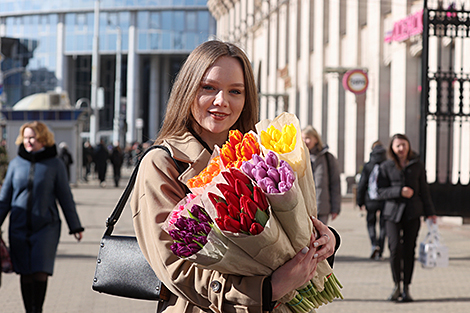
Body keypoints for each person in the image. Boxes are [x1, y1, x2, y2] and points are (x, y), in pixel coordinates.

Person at [131, 40, 339, 312]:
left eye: (235, 91)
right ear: (187, 89)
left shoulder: (262, 152)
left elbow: (290, 224)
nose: (222, 101)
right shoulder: (162, 163)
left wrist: (325, 241)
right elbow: (175, 267)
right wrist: (268, 289)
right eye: (209, 88)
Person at [0, 121, 84, 313]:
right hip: (19, 227)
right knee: (25, 273)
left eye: (33, 137)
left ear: (43, 139)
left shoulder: (55, 164)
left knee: (40, 270)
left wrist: (76, 226)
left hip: (46, 227)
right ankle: (29, 310)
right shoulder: (15, 164)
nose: (29, 141)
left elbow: (65, 197)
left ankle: (38, 309)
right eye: (26, 137)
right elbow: (4, 200)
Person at [377, 133, 437, 302]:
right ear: (392, 148)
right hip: (392, 214)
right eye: (398, 145)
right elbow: (380, 192)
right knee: (395, 248)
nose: (401, 148)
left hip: (412, 213)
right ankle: (396, 284)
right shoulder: (386, 166)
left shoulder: (416, 165)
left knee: (409, 250)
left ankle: (407, 288)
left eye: (404, 144)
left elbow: (424, 190)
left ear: (408, 146)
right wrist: (399, 191)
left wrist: (430, 212)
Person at [301, 125, 341, 224]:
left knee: (320, 238)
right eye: (302, 138)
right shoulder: (298, 157)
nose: (305, 141)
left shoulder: (327, 158)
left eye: (308, 138)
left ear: (316, 139)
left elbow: (335, 183)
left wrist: (335, 208)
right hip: (302, 209)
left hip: (321, 208)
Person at [356, 140, 387, 260]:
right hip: (385, 199)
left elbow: (362, 184)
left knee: (371, 223)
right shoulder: (388, 164)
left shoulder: (368, 165)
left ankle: (374, 244)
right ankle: (381, 249)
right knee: (384, 225)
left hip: (371, 200)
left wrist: (360, 201)